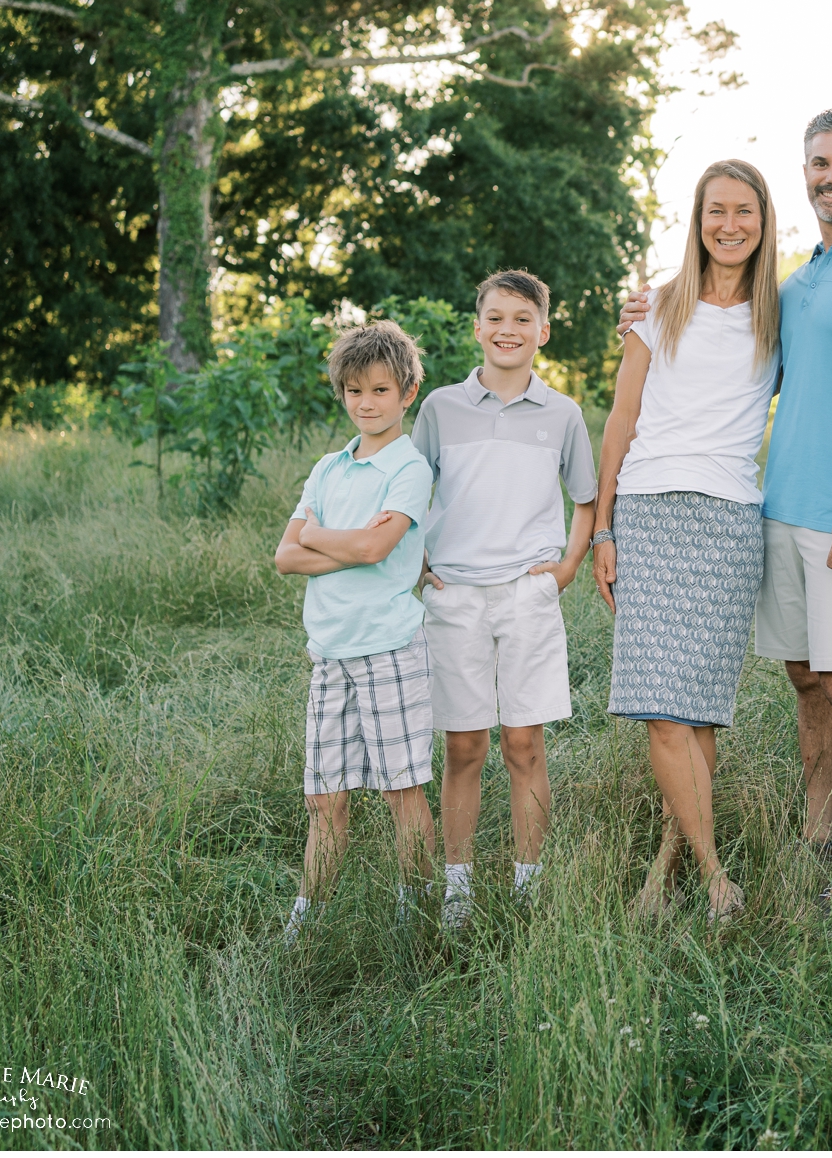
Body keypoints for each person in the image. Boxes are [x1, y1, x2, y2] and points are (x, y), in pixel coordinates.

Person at [619, 109, 832, 911]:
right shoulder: (792, 287)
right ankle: (816, 833)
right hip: (775, 513)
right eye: (819, 163)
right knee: (806, 680)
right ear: (803, 176)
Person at [593, 160, 782, 926]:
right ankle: (713, 878)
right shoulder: (659, 307)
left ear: (764, 223)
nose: (729, 225)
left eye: (744, 211)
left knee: (696, 713)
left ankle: (665, 871)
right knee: (661, 711)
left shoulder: (781, 315)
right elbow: (620, 419)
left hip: (730, 519)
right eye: (715, 211)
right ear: (697, 219)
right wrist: (603, 524)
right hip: (648, 511)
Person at [410, 269, 597, 930]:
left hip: (526, 595)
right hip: (455, 596)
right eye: (495, 317)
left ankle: (527, 887)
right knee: (464, 747)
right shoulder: (440, 408)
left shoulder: (563, 414)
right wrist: (422, 562)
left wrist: (568, 565)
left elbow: (586, 498)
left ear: (543, 332)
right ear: (478, 326)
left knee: (524, 743)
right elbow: (409, 490)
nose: (508, 330)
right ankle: (456, 889)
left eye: (522, 319)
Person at [272, 320, 437, 943]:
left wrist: (316, 535)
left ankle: (414, 914)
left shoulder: (409, 469)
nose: (366, 403)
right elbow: (285, 557)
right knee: (326, 801)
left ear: (407, 392)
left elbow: (377, 545)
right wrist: (341, 544)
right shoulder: (328, 469)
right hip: (331, 651)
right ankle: (306, 921)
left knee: (402, 791)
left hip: (389, 647)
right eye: (353, 391)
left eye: (380, 390)